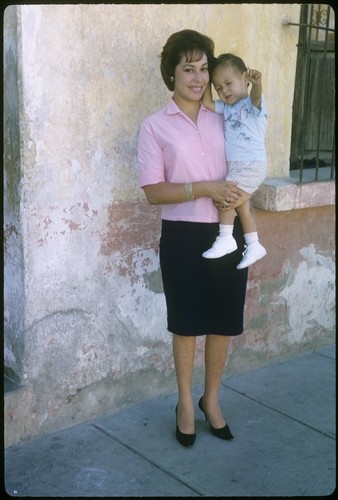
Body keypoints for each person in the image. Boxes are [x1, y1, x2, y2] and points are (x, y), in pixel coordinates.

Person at [138, 30, 248, 447]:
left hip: (228, 230)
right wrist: (204, 187)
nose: (199, 78)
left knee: (222, 321)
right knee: (185, 325)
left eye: (204, 69)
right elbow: (152, 192)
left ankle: (211, 400)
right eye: (189, 69)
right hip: (183, 234)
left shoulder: (226, 118)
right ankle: (185, 402)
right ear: (172, 75)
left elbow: (249, 152)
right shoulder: (154, 128)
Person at [201, 53, 267, 269]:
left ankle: (226, 238)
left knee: (226, 199)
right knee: (243, 207)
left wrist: (257, 84)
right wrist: (205, 82)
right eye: (219, 87)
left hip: (251, 164)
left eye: (228, 83)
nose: (224, 91)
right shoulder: (227, 107)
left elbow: (256, 96)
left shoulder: (252, 106)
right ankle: (254, 244)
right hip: (240, 166)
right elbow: (208, 103)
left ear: (244, 80)